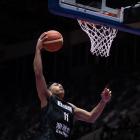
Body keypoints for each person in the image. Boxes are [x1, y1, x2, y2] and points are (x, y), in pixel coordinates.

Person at [33, 32, 112, 140]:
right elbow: (38, 74)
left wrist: (103, 101)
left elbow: (91, 117)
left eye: (60, 84)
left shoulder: (70, 107)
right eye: (56, 84)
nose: (60, 85)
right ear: (49, 90)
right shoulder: (48, 98)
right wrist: (38, 50)